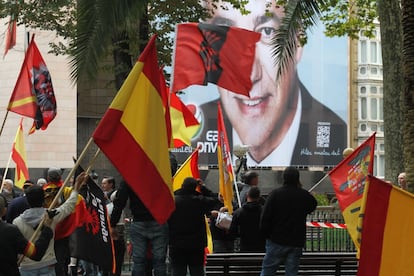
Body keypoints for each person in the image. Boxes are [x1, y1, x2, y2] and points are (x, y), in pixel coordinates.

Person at [190, 0, 347, 167]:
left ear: (298, 43)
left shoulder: (338, 134)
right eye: (226, 35)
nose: (250, 75)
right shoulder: (191, 134)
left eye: (267, 32)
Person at [13, 172, 88, 276]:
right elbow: (69, 205)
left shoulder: (17, 222)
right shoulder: (51, 216)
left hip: (26, 266)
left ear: (27, 200)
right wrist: (76, 188)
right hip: (48, 264)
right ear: (44, 199)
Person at [260, 167, 317, 276]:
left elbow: (265, 217)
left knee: (268, 270)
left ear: (283, 178)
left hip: (276, 240)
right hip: (296, 241)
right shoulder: (303, 195)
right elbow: (312, 205)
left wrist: (266, 235)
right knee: (292, 272)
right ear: (298, 179)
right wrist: (302, 191)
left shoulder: (275, 194)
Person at [110, 180, 169, 276]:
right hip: (158, 220)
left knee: (138, 261)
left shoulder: (130, 177)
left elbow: (120, 202)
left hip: (138, 221)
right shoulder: (159, 174)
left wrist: (113, 223)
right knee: (160, 261)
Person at [168, 177, 217, 276]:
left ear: (182, 186)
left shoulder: (173, 201)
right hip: (196, 244)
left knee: (178, 272)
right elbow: (215, 200)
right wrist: (202, 188)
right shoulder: (199, 201)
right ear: (195, 188)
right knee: (197, 272)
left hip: (176, 244)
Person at [0, 193, 55, 276]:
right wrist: (46, 229)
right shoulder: (10, 231)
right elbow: (35, 253)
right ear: (4, 211)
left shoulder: (13, 228)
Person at [229, 186, 265, 252]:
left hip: (244, 245)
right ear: (259, 196)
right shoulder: (264, 212)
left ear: (247, 195)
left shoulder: (238, 212)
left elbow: (232, 232)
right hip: (261, 246)